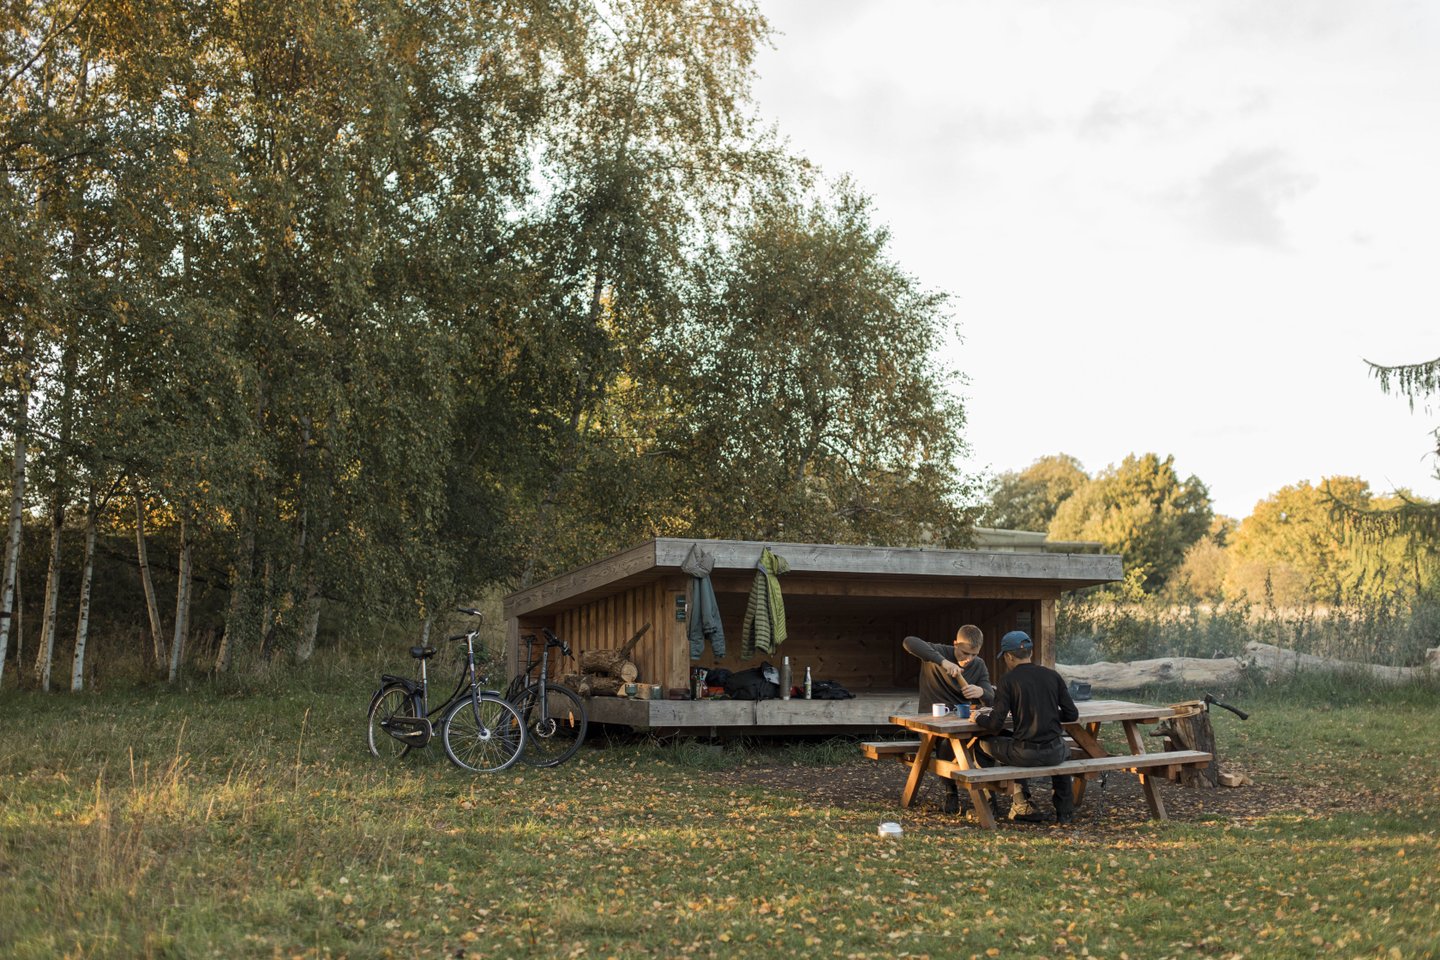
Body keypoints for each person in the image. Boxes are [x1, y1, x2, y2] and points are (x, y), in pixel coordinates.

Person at [973, 630, 1079, 824]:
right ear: (1030, 653)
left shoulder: (1008, 681)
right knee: (1064, 751)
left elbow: (995, 726)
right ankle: (1065, 814)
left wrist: (978, 719)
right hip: (1055, 752)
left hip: (1025, 755)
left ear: (1009, 656)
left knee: (980, 744)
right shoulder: (1052, 676)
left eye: (1005, 657)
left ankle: (989, 805)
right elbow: (1072, 714)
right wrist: (1050, 714)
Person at [902, 625, 995, 814]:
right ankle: (950, 792)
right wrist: (944, 662)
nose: (968, 659)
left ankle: (988, 797)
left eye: (974, 654)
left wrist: (981, 691)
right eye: (964, 653)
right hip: (933, 723)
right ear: (955, 644)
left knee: (986, 741)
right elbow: (909, 642)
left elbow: (990, 696)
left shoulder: (979, 665)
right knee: (946, 743)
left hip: (962, 722)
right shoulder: (937, 653)